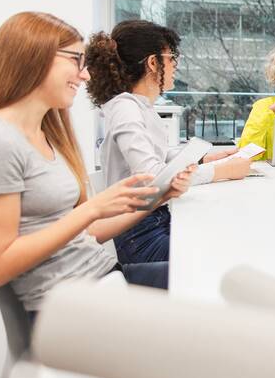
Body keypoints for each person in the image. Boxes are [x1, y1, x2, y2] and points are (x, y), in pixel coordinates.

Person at [0, 12, 183, 313]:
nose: (86, 74)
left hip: (103, 278)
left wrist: (161, 195)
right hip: (68, 306)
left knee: (210, 274)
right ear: (34, 55)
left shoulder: (49, 135)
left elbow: (84, 234)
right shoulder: (1, 140)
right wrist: (92, 209)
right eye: (75, 60)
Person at [85, 20, 253, 265]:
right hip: (141, 235)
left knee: (228, 239)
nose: (175, 65)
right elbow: (153, 177)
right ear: (153, 63)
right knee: (226, 255)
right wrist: (221, 171)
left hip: (152, 223)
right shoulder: (125, 107)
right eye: (171, 57)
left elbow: (157, 157)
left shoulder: (139, 106)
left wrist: (203, 159)